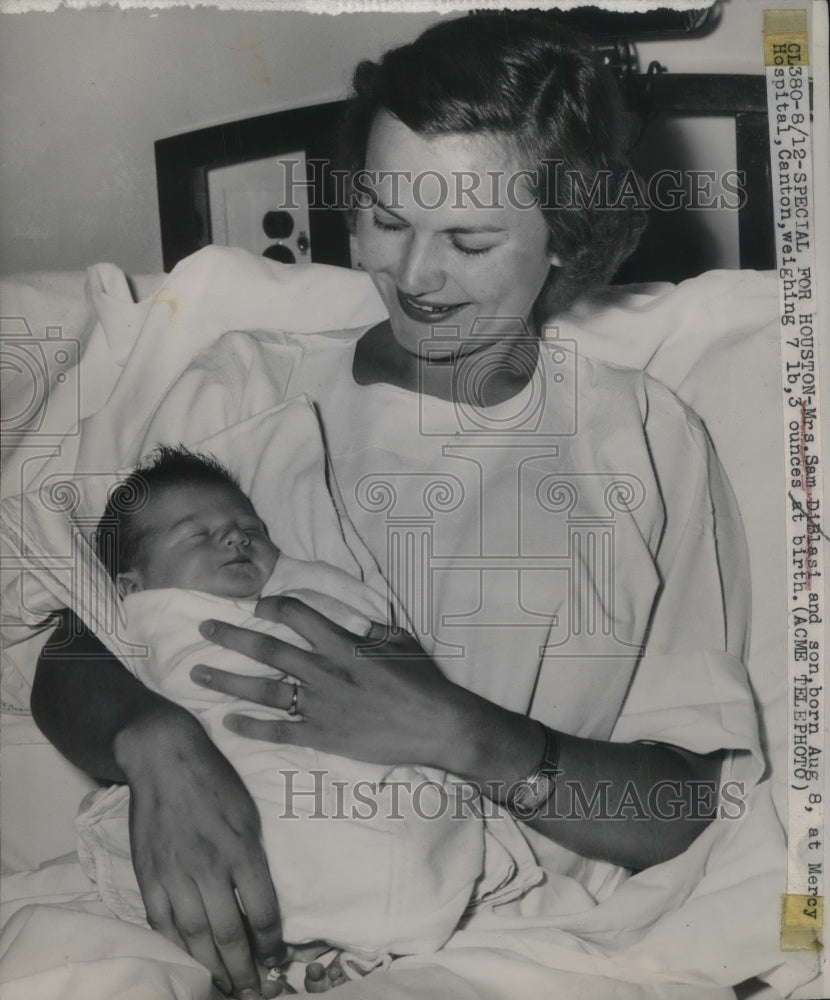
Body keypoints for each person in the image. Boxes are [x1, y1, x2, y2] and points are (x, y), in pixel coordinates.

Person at [31, 13, 759, 1000]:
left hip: (479, 946)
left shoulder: (638, 443)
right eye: (384, 218)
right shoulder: (241, 387)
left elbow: (681, 803)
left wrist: (456, 730)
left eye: (467, 238)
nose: (414, 277)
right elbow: (75, 646)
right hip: (187, 911)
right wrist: (151, 737)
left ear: (565, 238)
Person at [80, 445, 535, 973]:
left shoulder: (296, 596)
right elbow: (167, 676)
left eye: (248, 527)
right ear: (134, 586)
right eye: (197, 534)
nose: (234, 537)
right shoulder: (152, 620)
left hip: (329, 754)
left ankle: (357, 937)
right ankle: (315, 936)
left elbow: (369, 646)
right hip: (228, 764)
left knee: (402, 811)